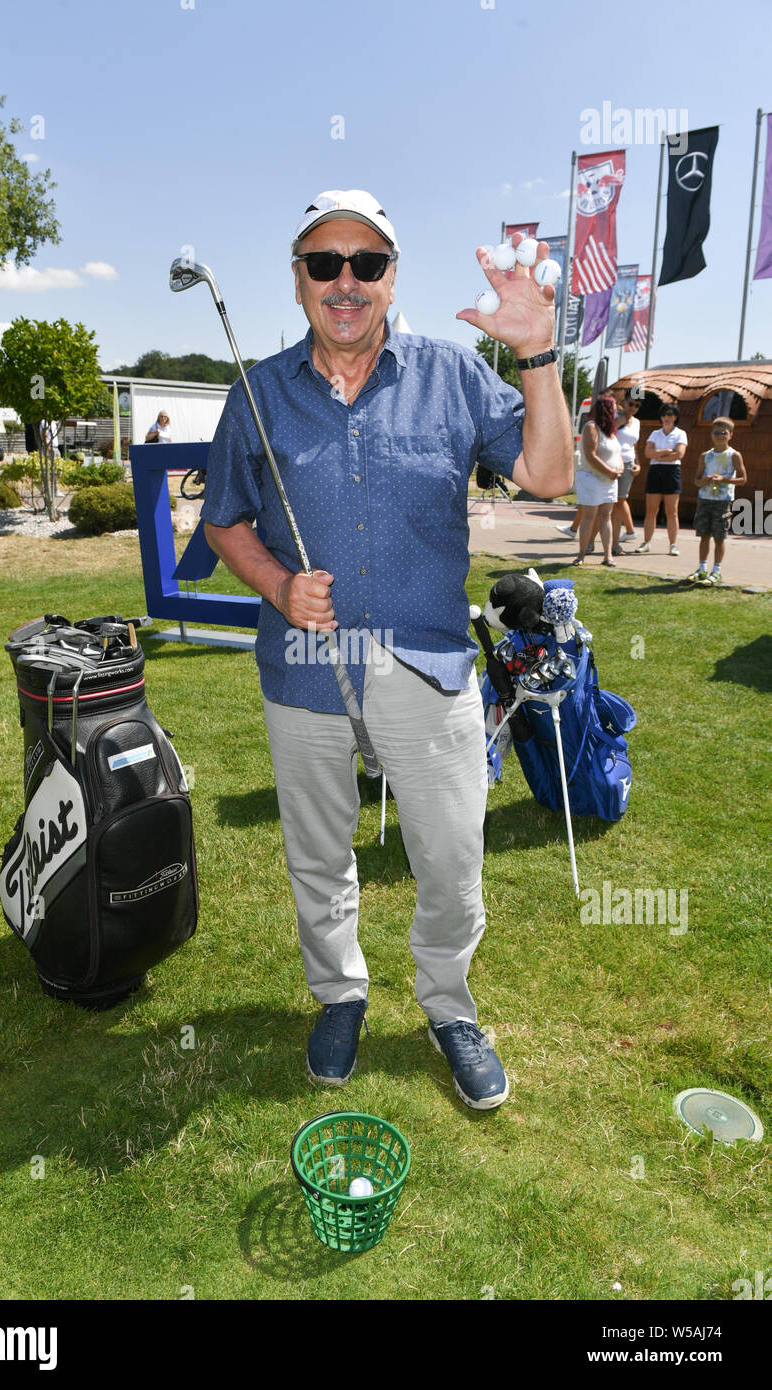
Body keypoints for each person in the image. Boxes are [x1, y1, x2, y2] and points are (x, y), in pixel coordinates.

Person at [201, 189, 572, 1112]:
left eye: (367, 264)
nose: (345, 281)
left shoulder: (453, 375)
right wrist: (280, 587)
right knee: (318, 856)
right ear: (298, 283)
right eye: (324, 263)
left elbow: (553, 477)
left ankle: (448, 1005)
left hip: (430, 666)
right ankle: (339, 993)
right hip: (303, 673)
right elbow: (223, 523)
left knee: (450, 856)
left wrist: (535, 353)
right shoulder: (257, 394)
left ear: (392, 279)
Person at [687, 417, 746, 587]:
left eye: (724, 432)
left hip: (723, 501)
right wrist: (704, 481)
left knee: (719, 537)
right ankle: (701, 568)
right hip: (705, 499)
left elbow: (743, 479)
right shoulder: (705, 456)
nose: (720, 435)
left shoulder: (734, 455)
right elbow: (696, 481)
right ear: (711, 434)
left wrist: (724, 479)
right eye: (716, 432)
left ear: (731, 435)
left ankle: (717, 571)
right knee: (704, 536)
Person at [573, 393, 623, 567]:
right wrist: (610, 471)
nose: (617, 412)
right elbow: (590, 455)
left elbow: (618, 454)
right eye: (615, 408)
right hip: (591, 478)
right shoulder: (591, 427)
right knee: (589, 516)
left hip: (609, 480)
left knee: (606, 515)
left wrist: (620, 468)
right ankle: (581, 554)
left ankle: (608, 556)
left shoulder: (611, 433)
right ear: (607, 410)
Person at [635, 404, 687, 555]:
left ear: (675, 417)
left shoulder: (680, 434)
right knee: (651, 510)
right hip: (655, 471)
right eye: (664, 415)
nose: (666, 418)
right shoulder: (655, 433)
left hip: (672, 472)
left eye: (670, 414)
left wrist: (657, 454)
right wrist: (666, 451)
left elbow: (679, 454)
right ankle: (646, 542)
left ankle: (673, 544)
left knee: (672, 512)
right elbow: (647, 453)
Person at [611, 393, 641, 554]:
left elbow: (634, 446)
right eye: (631, 404)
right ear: (624, 402)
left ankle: (615, 544)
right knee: (605, 504)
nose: (633, 408)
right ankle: (589, 543)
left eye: (637, 406)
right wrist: (617, 423)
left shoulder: (636, 422)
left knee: (619, 502)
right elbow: (604, 436)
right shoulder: (614, 416)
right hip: (612, 463)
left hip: (628, 464)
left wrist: (638, 463)